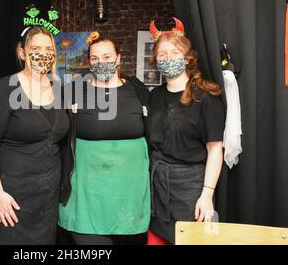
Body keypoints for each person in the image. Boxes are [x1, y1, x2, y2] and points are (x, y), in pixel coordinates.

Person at [0, 26, 70, 244]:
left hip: (46, 198)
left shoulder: (59, 89)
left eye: (49, 49)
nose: (43, 54)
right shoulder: (5, 88)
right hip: (10, 196)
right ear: (22, 53)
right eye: (36, 48)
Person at [58, 32, 151, 245]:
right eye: (95, 58)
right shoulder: (74, 91)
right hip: (87, 192)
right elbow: (55, 130)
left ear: (118, 58)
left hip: (130, 194)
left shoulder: (138, 90)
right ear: (89, 62)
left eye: (107, 57)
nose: (102, 63)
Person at [146, 18, 225, 245]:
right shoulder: (155, 96)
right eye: (162, 55)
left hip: (191, 187)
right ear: (155, 60)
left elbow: (215, 150)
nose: (168, 58)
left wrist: (207, 195)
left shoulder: (205, 98)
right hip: (157, 182)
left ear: (187, 57)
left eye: (174, 52)